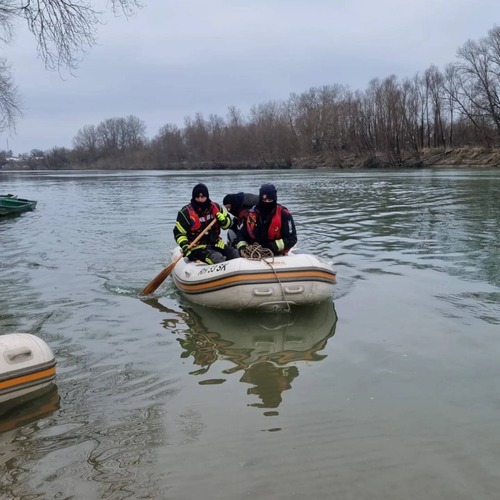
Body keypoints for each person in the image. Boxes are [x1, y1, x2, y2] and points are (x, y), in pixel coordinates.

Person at [173, 183, 239, 264]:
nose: (200, 200)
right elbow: (179, 233)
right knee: (217, 258)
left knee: (235, 254)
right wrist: (185, 245)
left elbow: (227, 225)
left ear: (207, 197)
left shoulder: (216, 208)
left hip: (216, 243)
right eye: (197, 197)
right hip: (196, 248)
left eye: (202, 197)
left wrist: (224, 220)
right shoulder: (185, 213)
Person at [235, 183, 297, 256]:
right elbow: (241, 235)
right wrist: (242, 247)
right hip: (253, 254)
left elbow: (292, 238)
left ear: (274, 199)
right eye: (264, 199)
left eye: (269, 200)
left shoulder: (284, 214)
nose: (267, 202)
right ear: (260, 199)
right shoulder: (251, 214)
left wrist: (272, 246)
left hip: (277, 253)